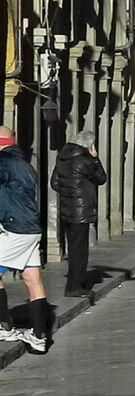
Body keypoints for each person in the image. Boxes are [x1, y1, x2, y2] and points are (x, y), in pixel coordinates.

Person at [0, 126, 50, 352]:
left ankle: (5, 327)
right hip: (31, 227)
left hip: (15, 227)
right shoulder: (25, 165)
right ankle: (39, 336)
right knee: (32, 278)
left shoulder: (4, 162)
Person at [51, 131, 107, 298]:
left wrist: (69, 192)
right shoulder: (85, 160)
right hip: (81, 211)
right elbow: (101, 178)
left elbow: (55, 183)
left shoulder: (62, 158)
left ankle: (74, 283)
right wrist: (95, 158)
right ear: (89, 146)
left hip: (67, 209)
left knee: (73, 246)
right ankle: (75, 286)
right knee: (79, 250)